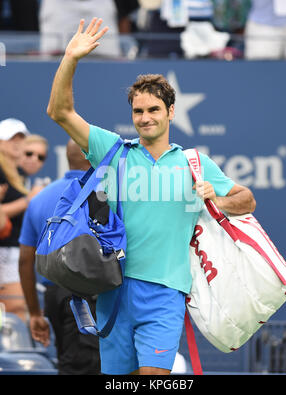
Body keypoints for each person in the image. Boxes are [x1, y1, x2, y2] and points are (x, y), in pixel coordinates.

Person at [46, 17, 256, 375]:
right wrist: (71, 59)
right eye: (138, 111)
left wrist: (216, 200)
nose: (145, 118)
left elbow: (246, 200)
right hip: (113, 291)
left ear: (170, 112)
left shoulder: (195, 162)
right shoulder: (114, 150)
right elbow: (59, 111)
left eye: (153, 109)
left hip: (165, 294)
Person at [18, 139, 101, 375]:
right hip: (88, 295)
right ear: (93, 157)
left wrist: (35, 313)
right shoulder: (104, 194)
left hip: (55, 297)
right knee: (87, 369)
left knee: (70, 364)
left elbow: (26, 260)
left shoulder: (40, 198)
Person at [0, 118, 43, 321]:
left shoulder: (16, 173)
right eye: (11, 139)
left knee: (15, 311)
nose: (17, 143)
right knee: (16, 308)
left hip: (12, 251)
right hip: (5, 252)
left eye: (21, 138)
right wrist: (29, 200)